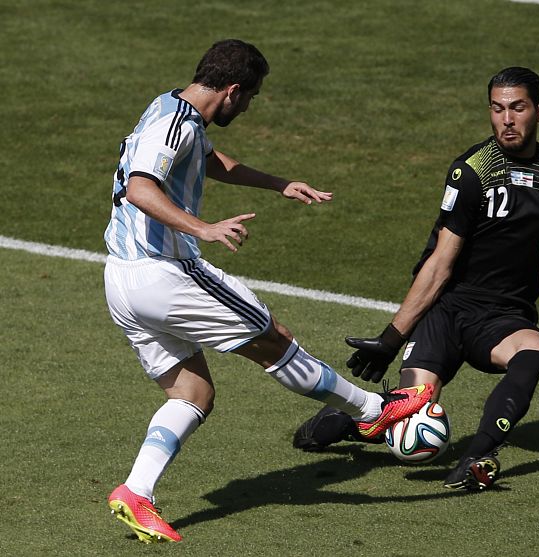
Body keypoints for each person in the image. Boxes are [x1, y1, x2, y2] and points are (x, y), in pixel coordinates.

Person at [103, 39, 432, 543]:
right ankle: (373, 412)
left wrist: (279, 184)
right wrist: (204, 227)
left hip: (121, 282)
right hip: (162, 273)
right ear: (232, 90)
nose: (250, 106)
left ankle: (136, 491)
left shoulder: (173, 110)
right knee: (274, 337)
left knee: (194, 394)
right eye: (251, 96)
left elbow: (209, 162)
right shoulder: (174, 125)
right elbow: (140, 188)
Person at [293, 66, 539, 492]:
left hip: (503, 316)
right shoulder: (473, 169)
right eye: (497, 109)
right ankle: (351, 422)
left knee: (534, 352)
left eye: (517, 108)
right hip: (448, 307)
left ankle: (480, 455)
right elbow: (439, 263)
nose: (506, 120)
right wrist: (391, 337)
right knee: (411, 419)